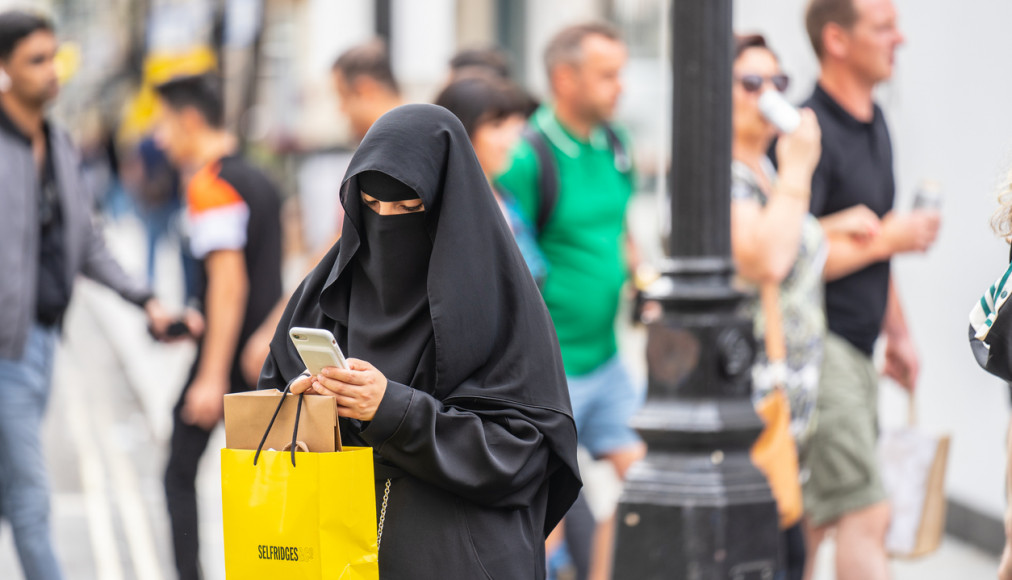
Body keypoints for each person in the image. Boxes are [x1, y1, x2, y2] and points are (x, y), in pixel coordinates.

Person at [258, 104, 582, 579]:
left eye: (409, 208)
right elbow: (268, 421)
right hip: (332, 556)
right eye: (372, 206)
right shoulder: (325, 293)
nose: (388, 222)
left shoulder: (497, 300)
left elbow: (524, 454)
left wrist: (393, 409)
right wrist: (310, 404)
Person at [0, 10, 174, 580]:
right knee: (30, 496)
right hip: (4, 351)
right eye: (37, 60)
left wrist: (144, 297)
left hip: (44, 341)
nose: (53, 71)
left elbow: (88, 242)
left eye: (54, 57)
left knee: (13, 486)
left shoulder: (57, 140)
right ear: (4, 69)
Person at [792, 2, 941, 579]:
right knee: (865, 509)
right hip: (818, 348)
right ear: (837, 39)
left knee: (818, 514)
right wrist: (890, 239)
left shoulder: (876, 121)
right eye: (883, 28)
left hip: (858, 348)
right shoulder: (808, 130)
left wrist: (898, 334)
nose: (898, 39)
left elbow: (876, 248)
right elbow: (791, 259)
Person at [729, 33, 884, 580]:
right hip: (748, 409)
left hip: (791, 407)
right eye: (750, 83)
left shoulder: (763, 174)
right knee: (771, 556)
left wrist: (825, 225)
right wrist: (800, 167)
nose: (767, 94)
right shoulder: (724, 177)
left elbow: (786, 240)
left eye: (778, 82)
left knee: (792, 553)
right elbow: (766, 259)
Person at [495, 22, 641, 580]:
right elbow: (506, 256)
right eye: (607, 75)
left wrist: (641, 276)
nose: (619, 86)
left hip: (607, 361)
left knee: (648, 485)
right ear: (564, 78)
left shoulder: (616, 143)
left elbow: (621, 230)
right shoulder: (528, 157)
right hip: (551, 373)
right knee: (543, 517)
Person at [153, 73, 283, 580]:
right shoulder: (260, 177)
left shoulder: (210, 183)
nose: (161, 138)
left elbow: (230, 285)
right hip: (265, 357)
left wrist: (210, 376)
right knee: (265, 486)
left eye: (165, 124)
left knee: (178, 473)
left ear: (189, 119)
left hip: (231, 360)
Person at [238, 39, 407, 386]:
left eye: (341, 97)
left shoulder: (385, 154)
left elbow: (334, 248)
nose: (341, 111)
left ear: (365, 90)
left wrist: (276, 325)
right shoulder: (409, 147)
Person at [434, 71, 547, 285]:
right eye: (496, 126)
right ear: (460, 128)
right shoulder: (447, 209)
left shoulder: (505, 197)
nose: (509, 140)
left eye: (513, 126)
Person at [331, 39, 404, 142]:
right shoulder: (426, 133)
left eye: (343, 96)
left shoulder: (395, 148)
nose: (341, 110)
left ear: (366, 91)